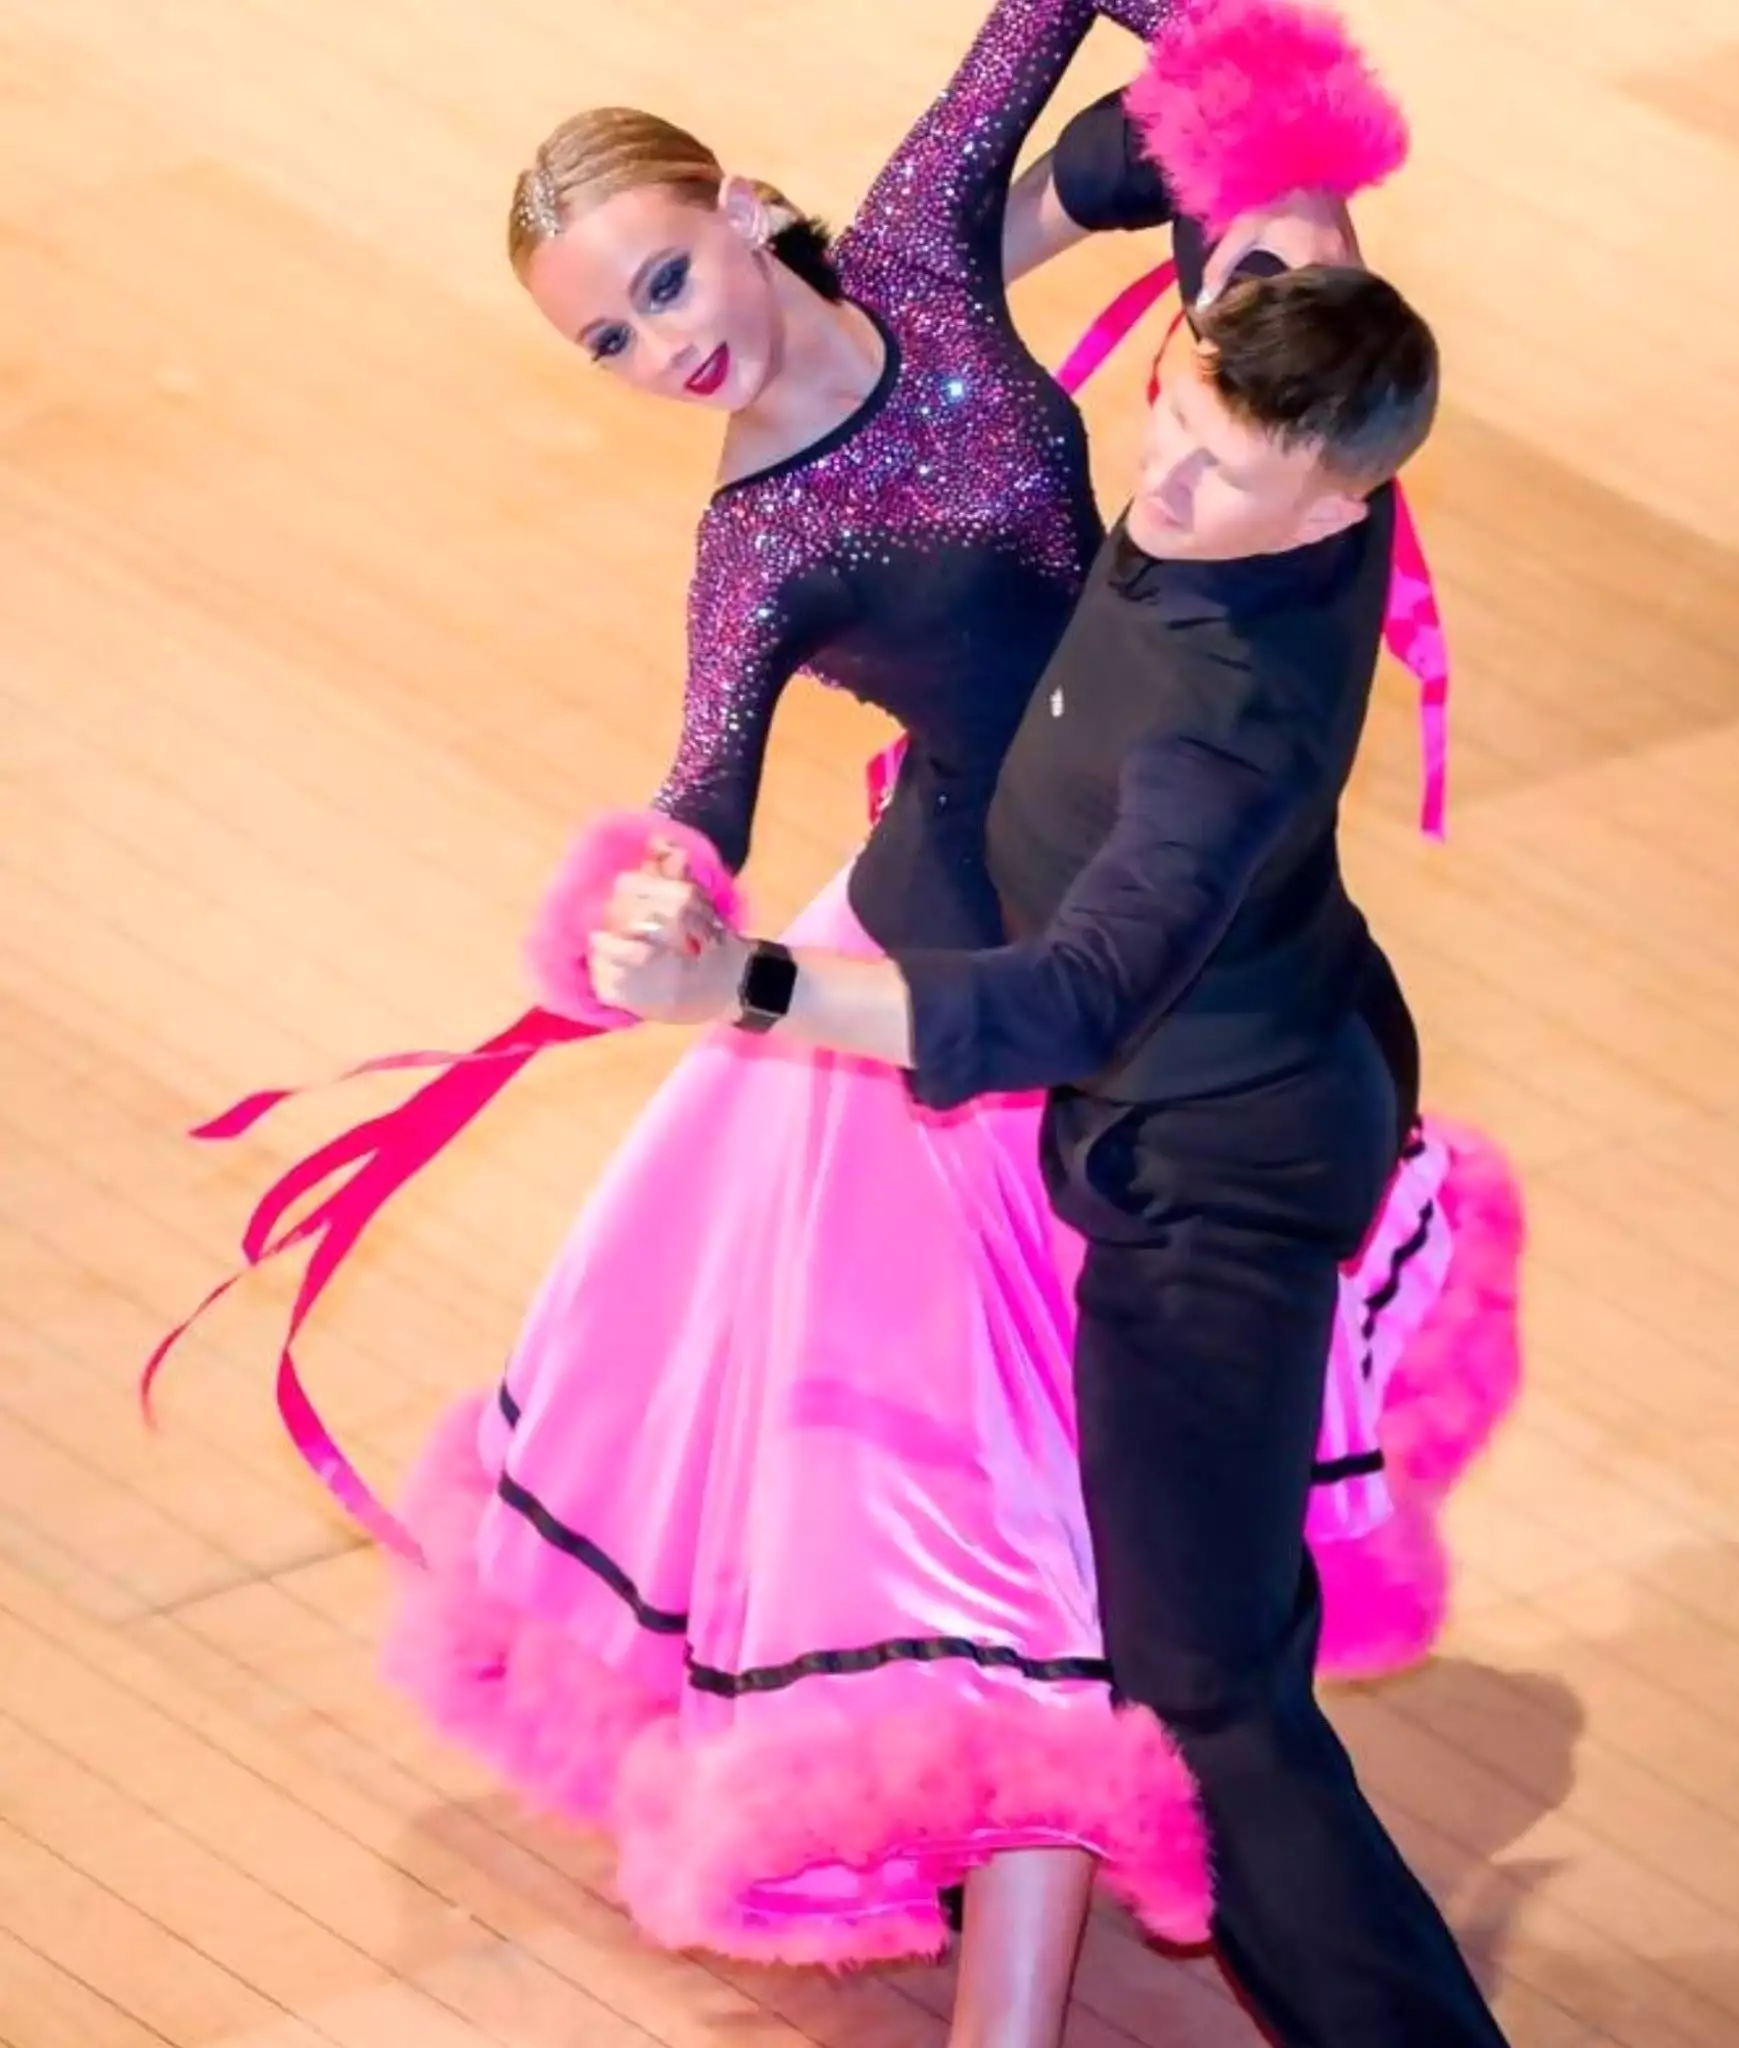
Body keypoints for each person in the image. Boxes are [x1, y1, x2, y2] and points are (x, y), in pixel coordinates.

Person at [145, 0, 1520, 2034]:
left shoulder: (918, 240)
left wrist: (1240, 81)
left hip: (1126, 933)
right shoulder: (758, 540)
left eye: (664, 278)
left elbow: (1040, 29)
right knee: (1010, 1538)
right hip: (947, 996)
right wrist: (659, 905)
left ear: (742, 203)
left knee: (1090, 1547)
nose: (660, 346)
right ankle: (1017, 2009)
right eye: (605, 342)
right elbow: (700, 785)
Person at [596, 259, 1511, 2048]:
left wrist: (753, 983)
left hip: (1217, 1182)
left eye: (1223, 468)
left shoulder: (1225, 730)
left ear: (1344, 504)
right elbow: (1209, 177)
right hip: (1276, 1052)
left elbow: (1074, 1004)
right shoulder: (1271, 450)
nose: (1162, 475)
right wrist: (805, 256)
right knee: (1185, 1609)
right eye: (1172, 405)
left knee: (1206, 1691)